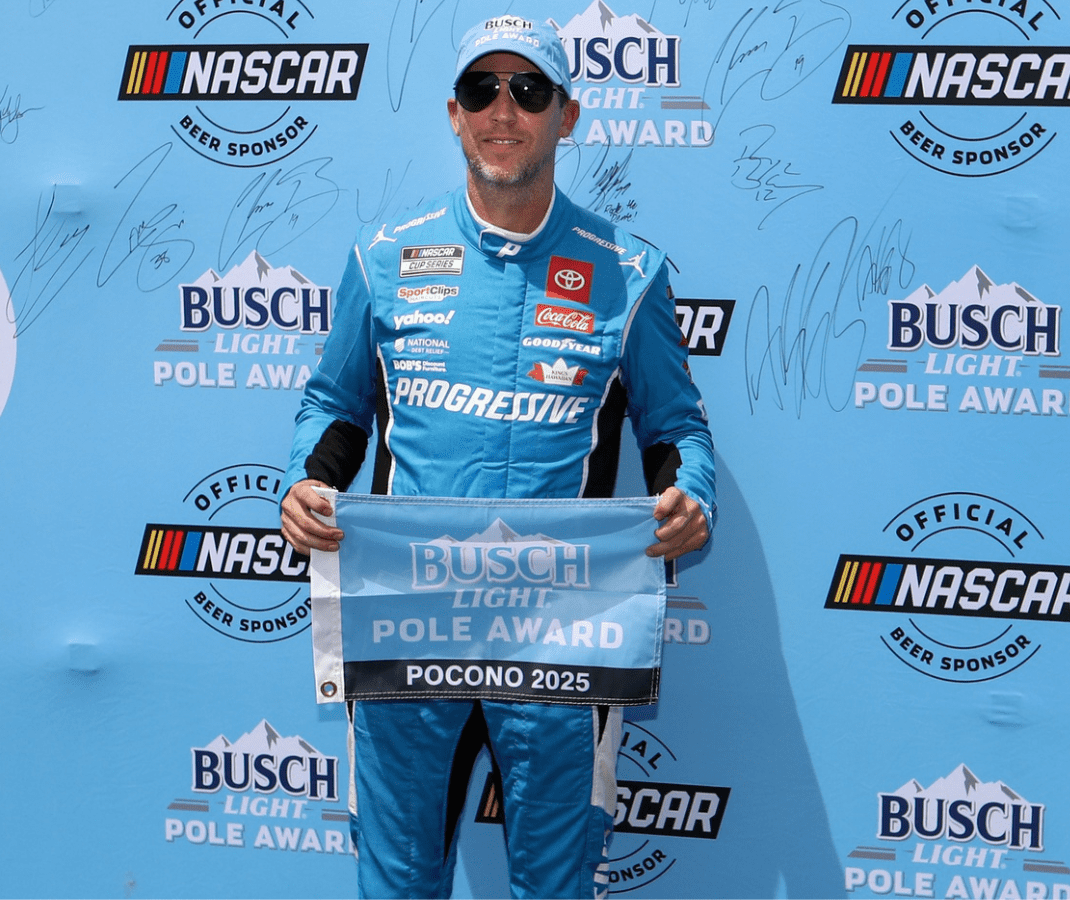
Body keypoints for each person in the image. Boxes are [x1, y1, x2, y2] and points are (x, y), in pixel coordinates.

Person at [278, 14, 715, 899]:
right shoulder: (384, 257)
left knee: (554, 888)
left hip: (563, 638)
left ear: (567, 115)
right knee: (397, 884)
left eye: (528, 90)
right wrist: (307, 482)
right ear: (454, 114)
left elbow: (677, 430)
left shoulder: (629, 272)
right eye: (482, 90)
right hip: (408, 628)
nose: (503, 111)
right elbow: (334, 406)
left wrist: (690, 496)